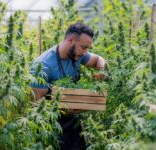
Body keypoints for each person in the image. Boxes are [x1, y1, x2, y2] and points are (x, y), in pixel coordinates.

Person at [30, 22, 105, 150]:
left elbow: (98, 59)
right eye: (83, 47)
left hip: (73, 122)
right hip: (51, 126)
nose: (85, 52)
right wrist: (79, 105)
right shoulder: (42, 65)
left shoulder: (77, 55)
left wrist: (103, 71)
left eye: (87, 48)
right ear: (70, 40)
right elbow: (38, 106)